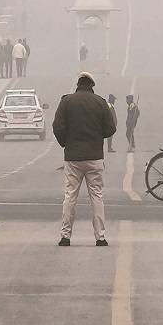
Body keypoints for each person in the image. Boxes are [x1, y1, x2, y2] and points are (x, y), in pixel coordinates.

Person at [52, 72, 116, 246]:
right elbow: (110, 129)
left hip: (73, 158)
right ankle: (100, 237)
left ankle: (65, 236)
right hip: (94, 157)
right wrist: (97, 137)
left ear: (78, 84)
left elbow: (57, 126)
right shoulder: (100, 103)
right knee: (96, 196)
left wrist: (65, 143)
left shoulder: (66, 101)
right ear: (91, 86)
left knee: (70, 196)